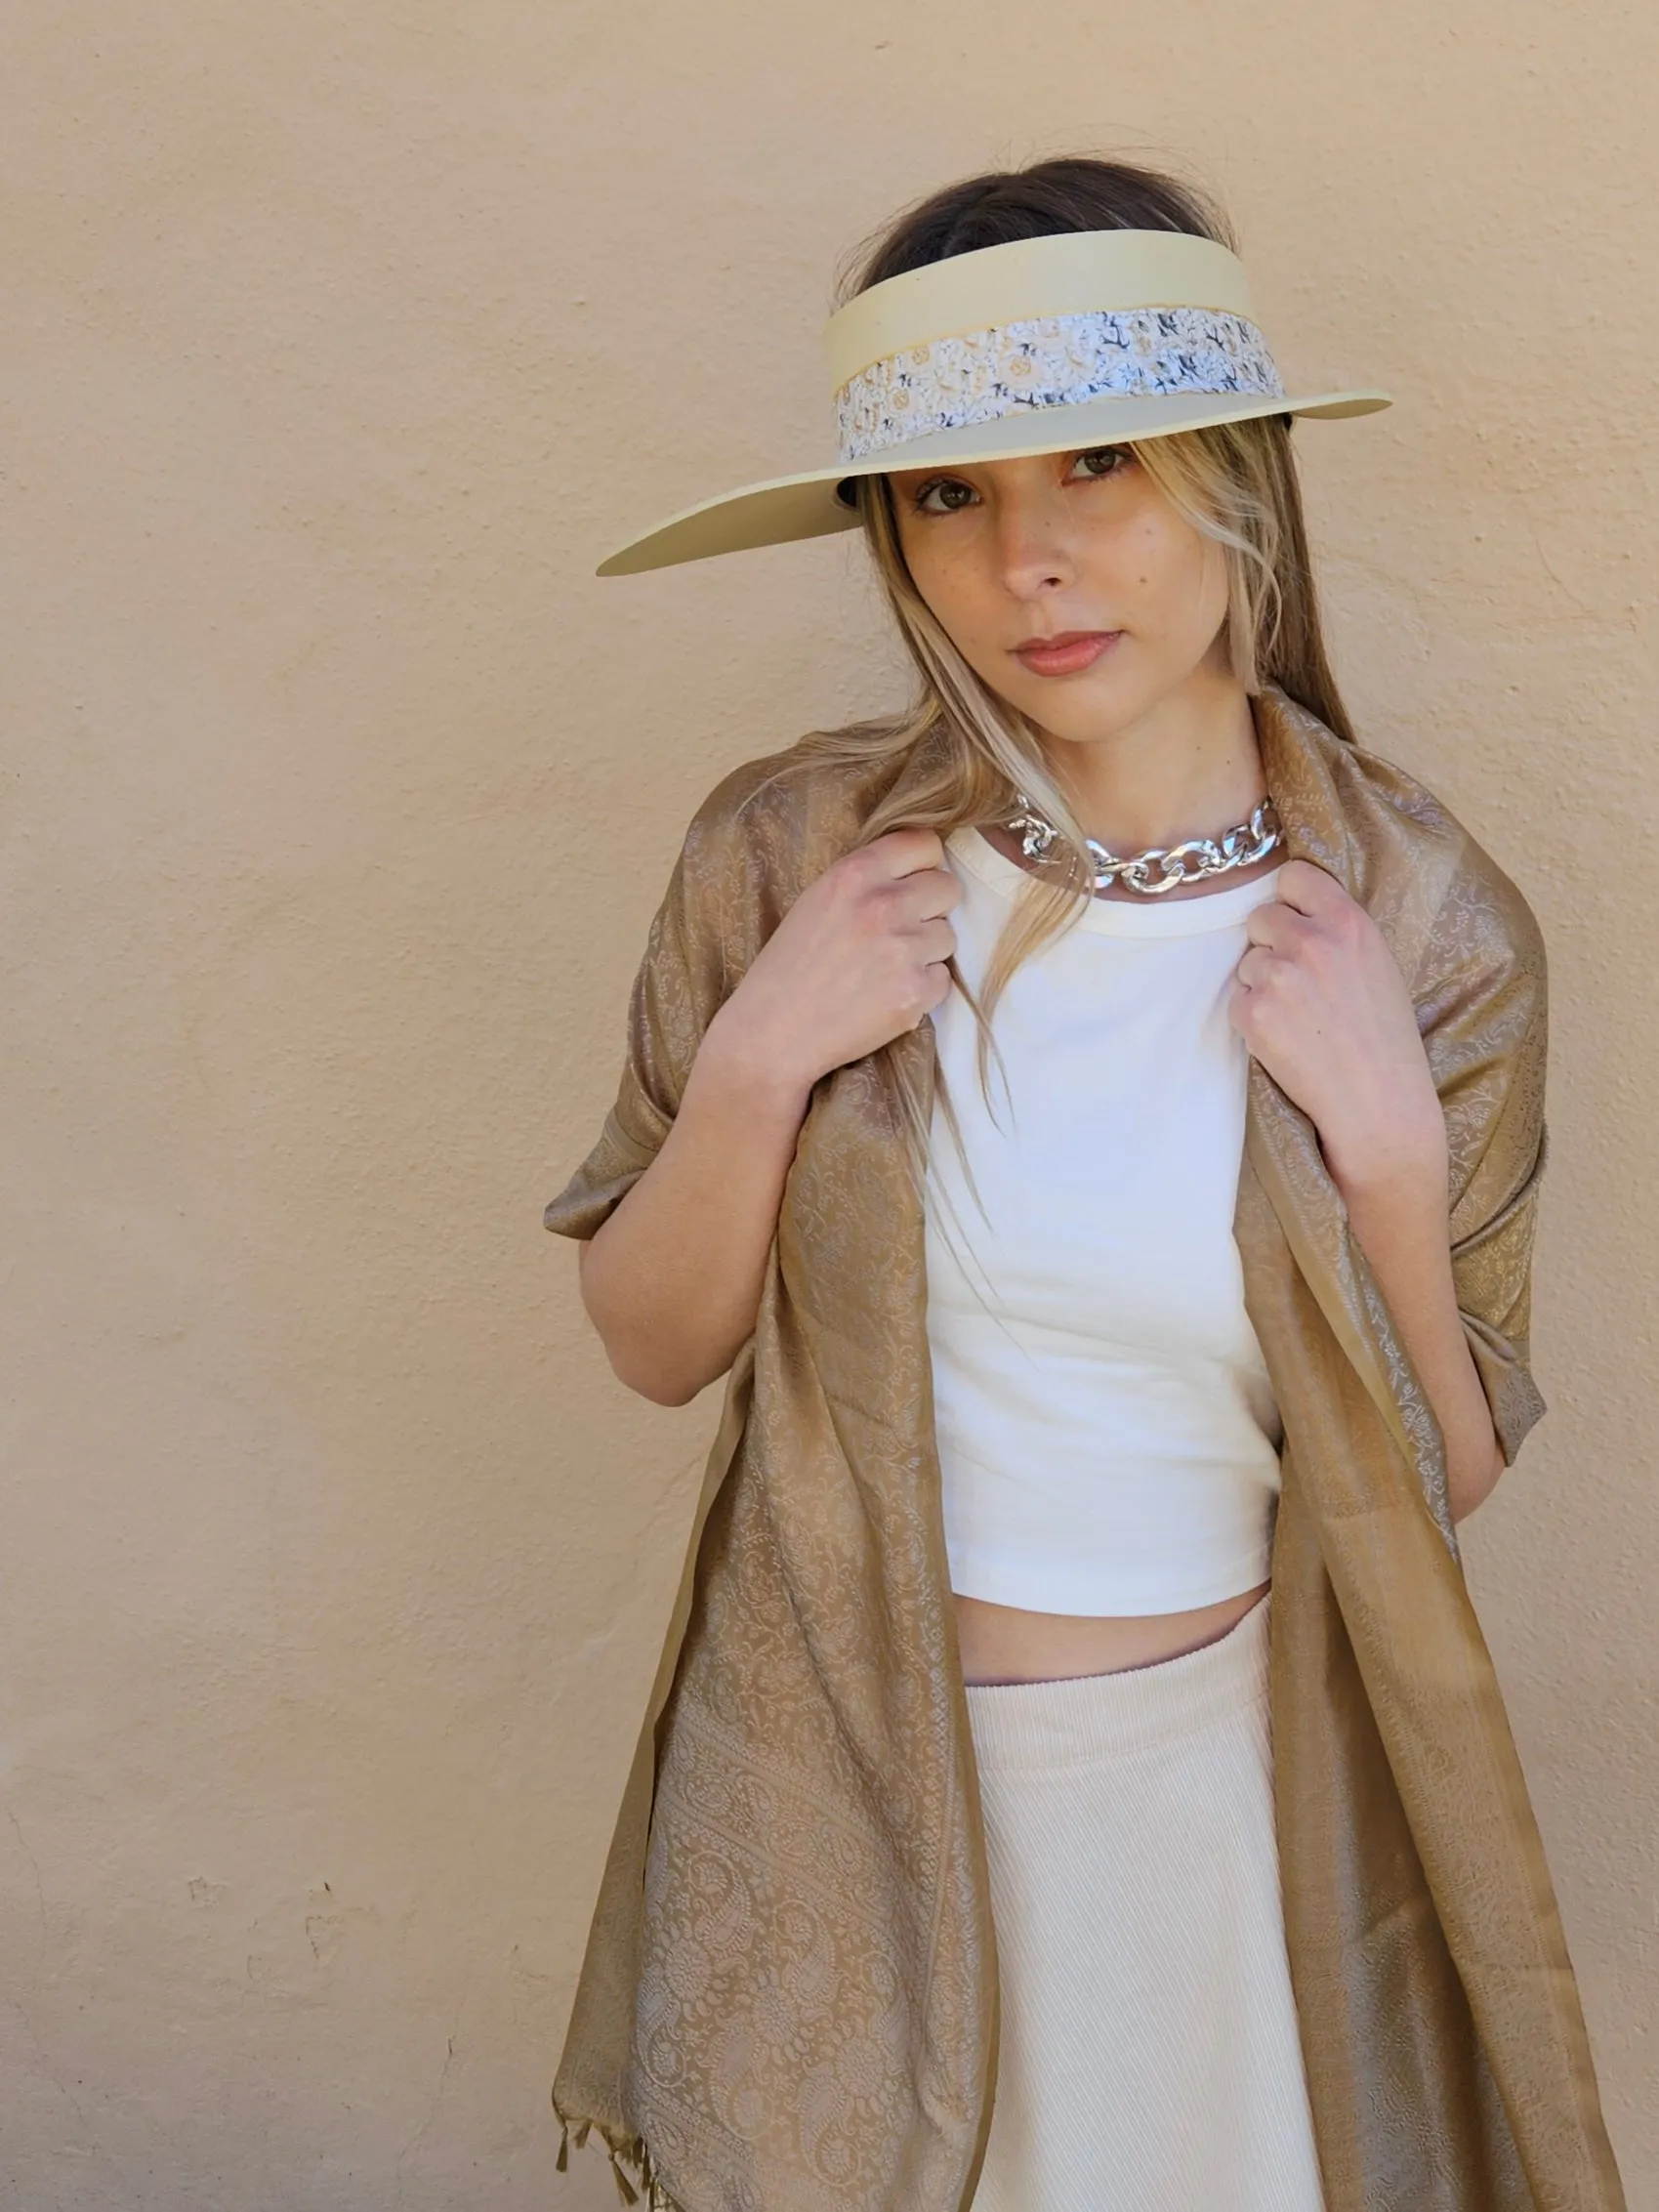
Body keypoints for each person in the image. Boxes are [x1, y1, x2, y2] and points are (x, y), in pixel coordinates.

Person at [545, 158, 1626, 2212]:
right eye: (950, 493)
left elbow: (1442, 1475)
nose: (1030, 561)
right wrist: (765, 1055)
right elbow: (652, 1338)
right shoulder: (788, 860)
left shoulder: (1423, 922)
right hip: (845, 1789)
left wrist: (1389, 1152)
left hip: (1217, 1815)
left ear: (1237, 481)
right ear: (887, 530)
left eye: (1099, 466)